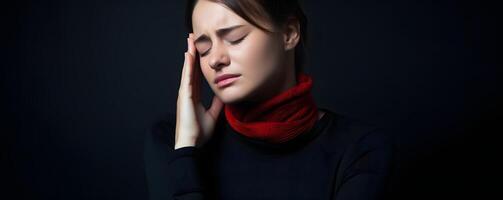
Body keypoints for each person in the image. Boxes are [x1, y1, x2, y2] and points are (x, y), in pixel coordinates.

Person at [144, 0, 396, 199]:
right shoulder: (172, 143)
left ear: (289, 34)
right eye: (204, 48)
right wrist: (187, 150)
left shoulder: (360, 150)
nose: (215, 59)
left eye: (234, 38)